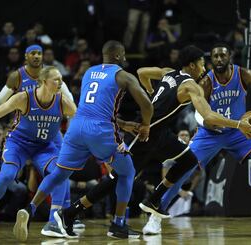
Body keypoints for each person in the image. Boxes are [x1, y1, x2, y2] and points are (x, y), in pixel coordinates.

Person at [53, 45, 251, 234]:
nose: (205, 69)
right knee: (117, 179)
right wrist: (239, 124)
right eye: (202, 64)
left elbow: (142, 73)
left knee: (188, 159)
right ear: (192, 65)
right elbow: (209, 116)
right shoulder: (191, 87)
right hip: (144, 134)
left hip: (161, 135)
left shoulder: (168, 72)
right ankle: (71, 213)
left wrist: (152, 93)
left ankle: (153, 199)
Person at [142, 43, 251, 235]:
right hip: (210, 134)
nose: (218, 59)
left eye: (222, 55)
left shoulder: (244, 75)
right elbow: (199, 113)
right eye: (215, 56)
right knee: (182, 171)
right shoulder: (205, 82)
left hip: (239, 132)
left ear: (230, 57)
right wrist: (212, 123)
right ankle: (155, 216)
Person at [13, 40, 153, 241]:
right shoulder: (124, 75)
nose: (124, 59)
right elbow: (147, 105)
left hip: (76, 126)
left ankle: (30, 208)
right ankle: (118, 223)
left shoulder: (89, 72)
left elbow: (94, 107)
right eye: (123, 55)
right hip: (100, 131)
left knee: (60, 173)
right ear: (117, 56)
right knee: (127, 172)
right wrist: (145, 125)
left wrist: (123, 124)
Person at [0, 67, 77, 237]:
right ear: (44, 81)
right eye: (56, 79)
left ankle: (53, 222)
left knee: (61, 173)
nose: (61, 83)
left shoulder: (64, 102)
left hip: (44, 146)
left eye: (61, 79)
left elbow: (82, 120)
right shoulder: (24, 98)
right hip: (19, 144)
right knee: (7, 175)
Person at [0, 44, 79, 235]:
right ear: (26, 56)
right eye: (33, 53)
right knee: (9, 174)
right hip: (24, 132)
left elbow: (69, 100)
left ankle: (64, 217)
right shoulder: (17, 76)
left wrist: (73, 129)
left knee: (63, 170)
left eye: (39, 53)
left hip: (49, 132)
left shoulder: (52, 76)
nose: (37, 56)